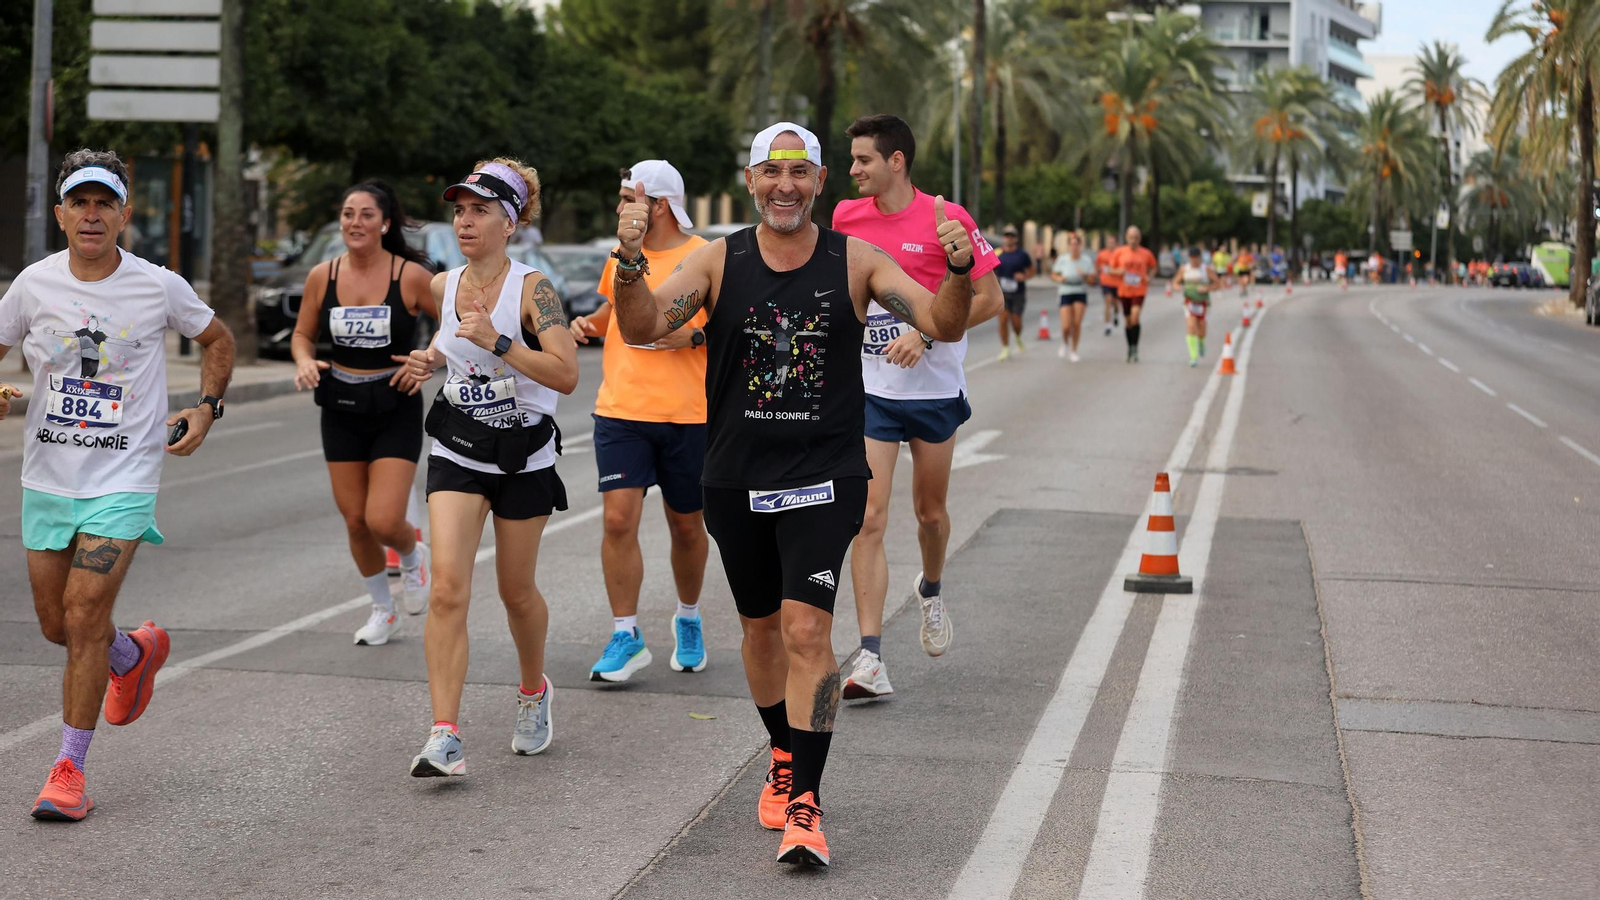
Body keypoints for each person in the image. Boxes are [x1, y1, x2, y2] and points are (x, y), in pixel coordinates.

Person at [609, 122, 977, 867]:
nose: (785, 186)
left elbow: (941, 320)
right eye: (771, 173)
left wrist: (961, 271)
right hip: (736, 477)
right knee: (761, 632)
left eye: (799, 173)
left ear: (818, 184)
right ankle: (783, 751)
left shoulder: (856, 260)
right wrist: (626, 262)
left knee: (809, 631)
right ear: (751, 180)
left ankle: (805, 802)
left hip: (824, 476)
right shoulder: (722, 259)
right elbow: (644, 324)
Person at [0, 150, 235, 820]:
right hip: (48, 478)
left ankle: (68, 769)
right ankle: (133, 653)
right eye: (80, 202)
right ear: (60, 214)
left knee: (82, 613)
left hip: (124, 477)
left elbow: (218, 339)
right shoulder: (33, 285)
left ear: (126, 214)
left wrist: (206, 407)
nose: (92, 214)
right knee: (58, 626)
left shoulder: (157, 286)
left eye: (105, 203)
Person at [399, 158, 577, 777]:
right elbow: (451, 346)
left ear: (510, 221)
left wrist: (501, 343)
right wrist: (428, 359)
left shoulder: (536, 291)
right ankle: (444, 733)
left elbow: (567, 374)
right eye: (460, 210)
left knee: (515, 589)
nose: (465, 221)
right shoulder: (445, 286)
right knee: (448, 586)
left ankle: (534, 691)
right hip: (458, 446)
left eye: (480, 211)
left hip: (524, 454)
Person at [832, 114, 1002, 702]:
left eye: (863, 161)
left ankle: (930, 589)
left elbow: (991, 299)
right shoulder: (845, 218)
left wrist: (926, 334)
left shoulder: (946, 218)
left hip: (932, 390)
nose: (852, 171)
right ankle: (870, 658)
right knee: (869, 517)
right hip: (871, 391)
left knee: (930, 515)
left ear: (895, 161)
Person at [569, 160, 711, 682]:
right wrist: (592, 322)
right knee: (617, 520)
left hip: (688, 414)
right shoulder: (622, 255)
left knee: (687, 526)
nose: (619, 207)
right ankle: (625, 634)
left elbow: (735, 333)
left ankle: (689, 617)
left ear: (661, 204)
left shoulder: (703, 258)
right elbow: (617, 309)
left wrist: (694, 337)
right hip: (622, 409)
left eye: (629, 197)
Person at [293, 181, 437, 646]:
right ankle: (382, 609)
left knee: (382, 519)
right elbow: (302, 334)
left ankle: (413, 557)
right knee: (355, 520)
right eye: (348, 213)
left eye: (366, 215)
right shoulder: (323, 275)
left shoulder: (410, 276)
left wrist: (428, 360)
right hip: (340, 404)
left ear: (386, 223)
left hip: (394, 402)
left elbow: (453, 324)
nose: (355, 222)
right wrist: (303, 361)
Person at [1107, 226, 1157, 362]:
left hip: (1139, 290)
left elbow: (1153, 266)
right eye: (1131, 237)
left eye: (1136, 238)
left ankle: (1135, 348)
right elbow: (1110, 269)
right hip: (1124, 290)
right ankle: (1130, 347)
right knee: (1128, 322)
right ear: (1126, 238)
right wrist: (1119, 272)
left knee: (1135, 318)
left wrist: (1149, 276)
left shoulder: (1146, 253)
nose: (1133, 240)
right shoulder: (1119, 252)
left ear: (1139, 239)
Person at [1050, 230, 1096, 361]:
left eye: (1076, 244)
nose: (1074, 247)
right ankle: (1064, 342)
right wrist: (1060, 279)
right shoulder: (1063, 259)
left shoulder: (1086, 260)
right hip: (1065, 291)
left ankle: (1073, 350)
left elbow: (1093, 281)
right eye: (1072, 244)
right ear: (1069, 246)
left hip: (1080, 291)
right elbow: (1053, 274)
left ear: (1080, 246)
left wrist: (1085, 275)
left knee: (1076, 323)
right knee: (1066, 326)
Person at [1172, 246, 1222, 367]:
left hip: (1203, 303)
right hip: (1189, 302)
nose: (1195, 261)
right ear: (1189, 258)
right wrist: (1180, 288)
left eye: (1197, 258)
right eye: (1192, 258)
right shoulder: (1184, 269)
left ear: (1200, 258)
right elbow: (1175, 283)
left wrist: (1207, 288)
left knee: (1201, 327)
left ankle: (1201, 341)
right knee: (1191, 326)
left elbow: (1217, 284)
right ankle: (1193, 357)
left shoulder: (1206, 269)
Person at [993, 226, 1034, 360]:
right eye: (1006, 236)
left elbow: (1032, 269)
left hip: (1018, 292)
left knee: (1016, 322)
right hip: (1002, 292)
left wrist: (1024, 276)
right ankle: (1005, 348)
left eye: (1011, 236)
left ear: (1016, 238)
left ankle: (1017, 334)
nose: (1008, 238)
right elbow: (990, 269)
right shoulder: (998, 252)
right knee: (1003, 320)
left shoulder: (1022, 255)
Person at [1096, 235, 1122, 336]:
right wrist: (1097, 274)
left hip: (1116, 283)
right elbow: (1097, 265)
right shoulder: (1102, 254)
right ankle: (1108, 326)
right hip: (1106, 282)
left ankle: (1115, 314)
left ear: (1116, 244)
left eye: (1113, 243)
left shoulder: (1119, 254)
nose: (1111, 245)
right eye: (1109, 242)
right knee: (1108, 302)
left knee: (1115, 304)